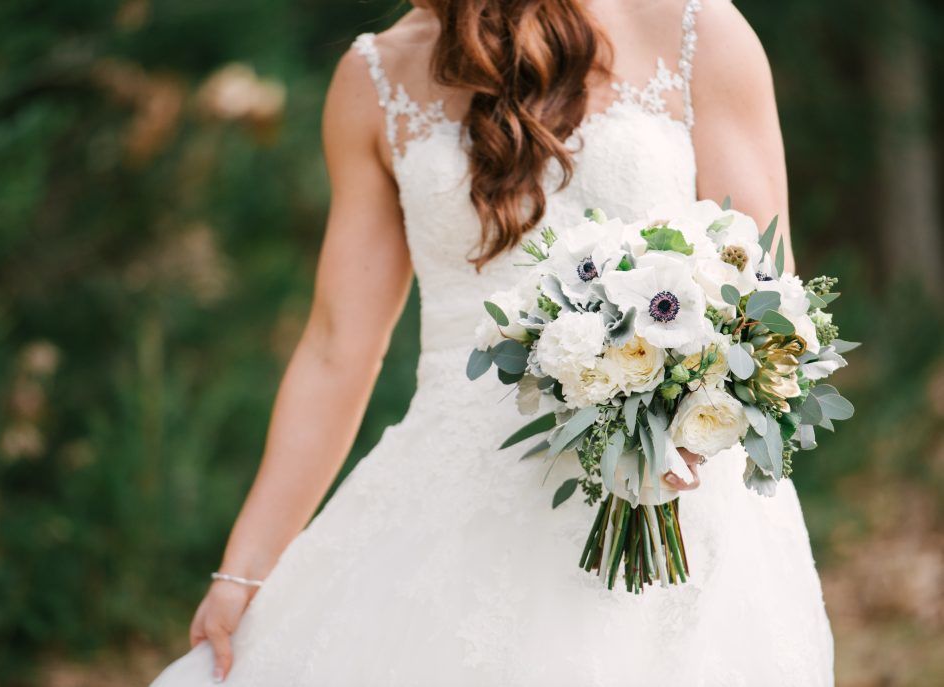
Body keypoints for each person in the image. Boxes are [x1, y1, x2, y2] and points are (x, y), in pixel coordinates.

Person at [152, 1, 833, 684]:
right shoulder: (372, 78)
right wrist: (244, 569)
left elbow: (765, 288)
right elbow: (337, 345)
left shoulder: (694, 28)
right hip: (452, 505)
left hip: (680, 490)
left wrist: (681, 419)